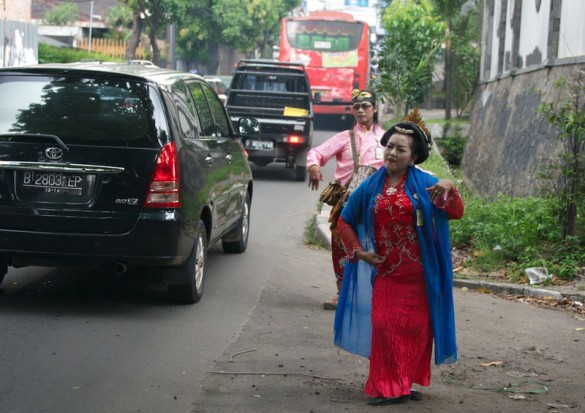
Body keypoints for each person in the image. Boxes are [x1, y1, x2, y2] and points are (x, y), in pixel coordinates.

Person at [334, 109, 464, 406]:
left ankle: (402, 384)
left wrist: (450, 188)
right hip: (388, 273)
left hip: (422, 276)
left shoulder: (427, 184)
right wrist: (359, 252)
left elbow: (455, 212)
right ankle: (386, 386)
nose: (391, 152)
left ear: (414, 156)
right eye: (389, 145)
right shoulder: (370, 184)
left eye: (400, 149)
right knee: (384, 326)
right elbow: (345, 220)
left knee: (415, 332)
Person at [307, 89, 386, 310]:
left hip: (376, 203)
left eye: (366, 106)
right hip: (346, 203)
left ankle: (376, 294)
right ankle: (342, 293)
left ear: (375, 108)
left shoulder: (387, 139)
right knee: (341, 247)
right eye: (357, 107)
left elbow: (408, 161)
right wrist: (313, 166)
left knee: (377, 245)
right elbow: (317, 153)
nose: (361, 110)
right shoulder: (344, 138)